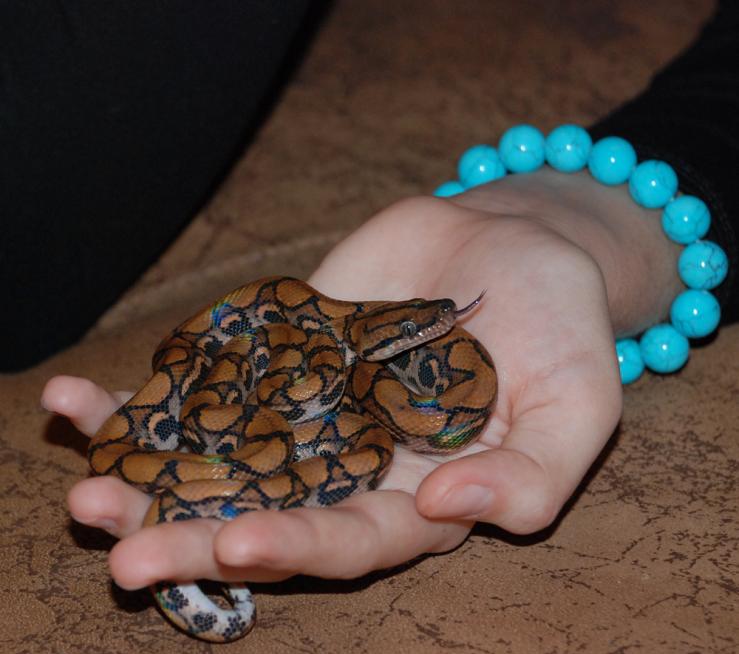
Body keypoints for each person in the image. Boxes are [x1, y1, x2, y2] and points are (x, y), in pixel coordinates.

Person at [31, 3, 739, 591]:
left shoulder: (327, 358)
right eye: (413, 330)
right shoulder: (307, 363)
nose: (435, 325)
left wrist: (578, 217)